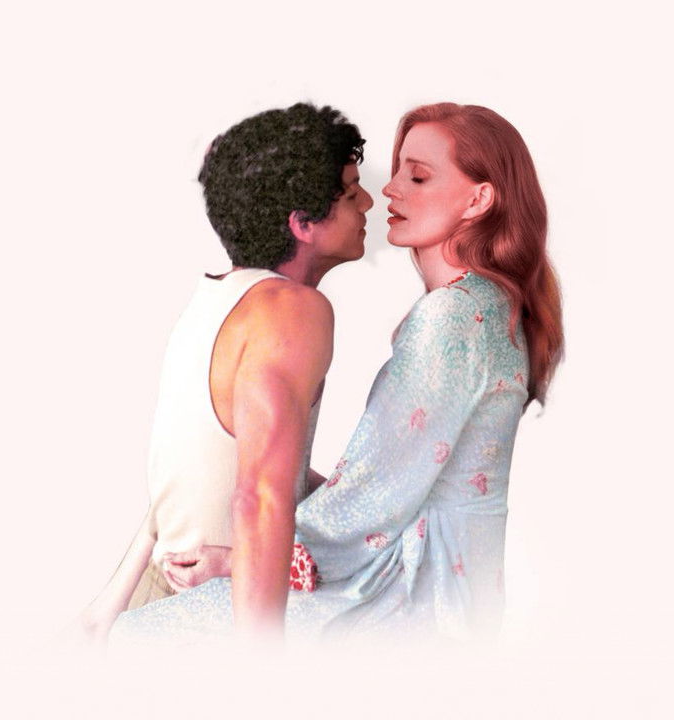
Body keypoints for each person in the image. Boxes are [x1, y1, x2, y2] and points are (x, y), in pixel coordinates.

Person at [109, 101, 563, 645]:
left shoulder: (451, 317)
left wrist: (243, 559)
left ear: (478, 199)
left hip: (418, 598)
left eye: (417, 176)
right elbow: (379, 484)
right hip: (458, 590)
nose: (387, 191)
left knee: (140, 639)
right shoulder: (485, 307)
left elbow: (368, 503)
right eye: (395, 171)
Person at [72, 103, 372, 643]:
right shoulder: (290, 310)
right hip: (208, 612)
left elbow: (211, 466)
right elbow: (259, 498)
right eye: (351, 194)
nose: (369, 202)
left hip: (163, 597)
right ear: (302, 224)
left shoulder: (216, 301)